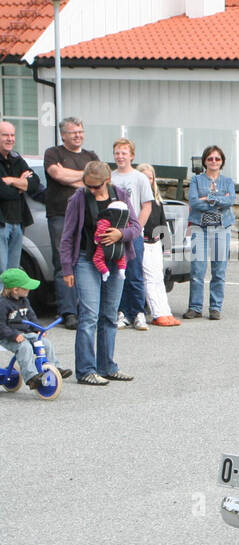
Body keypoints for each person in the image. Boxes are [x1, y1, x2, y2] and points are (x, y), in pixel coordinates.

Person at [58, 160, 140, 385]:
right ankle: (86, 370)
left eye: (96, 186)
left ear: (107, 181)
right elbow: (67, 235)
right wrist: (67, 268)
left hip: (115, 259)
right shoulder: (79, 198)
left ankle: (107, 367)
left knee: (109, 314)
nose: (92, 190)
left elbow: (136, 227)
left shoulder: (120, 195)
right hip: (86, 259)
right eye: (88, 185)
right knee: (89, 315)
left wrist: (119, 234)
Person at [44, 117, 100, 330]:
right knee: (63, 262)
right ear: (63, 135)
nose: (78, 135)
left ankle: (87, 308)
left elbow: (100, 180)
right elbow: (58, 175)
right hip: (61, 214)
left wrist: (75, 178)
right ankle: (68, 312)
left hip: (88, 216)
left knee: (87, 260)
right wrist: (87, 177)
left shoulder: (91, 155)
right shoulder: (53, 154)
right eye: (73, 132)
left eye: (80, 131)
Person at [185, 145, 236, 320]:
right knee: (197, 269)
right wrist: (219, 200)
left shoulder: (227, 181)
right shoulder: (196, 181)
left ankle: (215, 307)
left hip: (222, 229)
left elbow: (230, 201)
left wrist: (209, 198)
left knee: (219, 270)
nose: (214, 161)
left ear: (222, 162)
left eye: (217, 159)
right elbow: (194, 201)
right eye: (210, 159)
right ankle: (195, 307)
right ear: (205, 161)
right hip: (200, 228)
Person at [0, 268, 70, 389]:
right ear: (15, 290)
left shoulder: (24, 300)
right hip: (8, 337)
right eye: (26, 288)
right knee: (25, 347)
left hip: (26, 334)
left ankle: (55, 368)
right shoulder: (3, 304)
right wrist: (14, 335)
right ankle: (31, 378)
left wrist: (38, 329)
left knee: (45, 343)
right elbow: (1, 325)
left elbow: (31, 316)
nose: (29, 290)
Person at [110, 138, 153, 331]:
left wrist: (136, 229)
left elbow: (146, 206)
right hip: (116, 233)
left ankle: (138, 312)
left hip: (133, 233)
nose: (120, 156)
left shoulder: (139, 178)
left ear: (131, 156)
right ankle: (122, 312)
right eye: (117, 153)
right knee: (119, 273)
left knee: (135, 273)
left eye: (124, 153)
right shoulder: (110, 178)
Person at [136, 164, 180, 326]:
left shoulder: (156, 200)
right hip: (144, 241)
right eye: (144, 177)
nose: (148, 180)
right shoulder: (138, 201)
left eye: (150, 177)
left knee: (158, 277)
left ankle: (165, 311)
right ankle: (156, 313)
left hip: (155, 243)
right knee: (149, 277)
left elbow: (163, 223)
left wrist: (166, 245)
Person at [0, 122, 38, 271]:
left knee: (13, 273)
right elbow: (3, 192)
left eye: (12, 135)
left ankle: (7, 296)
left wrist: (12, 181)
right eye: (5, 135)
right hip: (2, 223)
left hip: (18, 223)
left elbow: (35, 182)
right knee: (1, 273)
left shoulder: (16, 158)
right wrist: (22, 186)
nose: (10, 139)